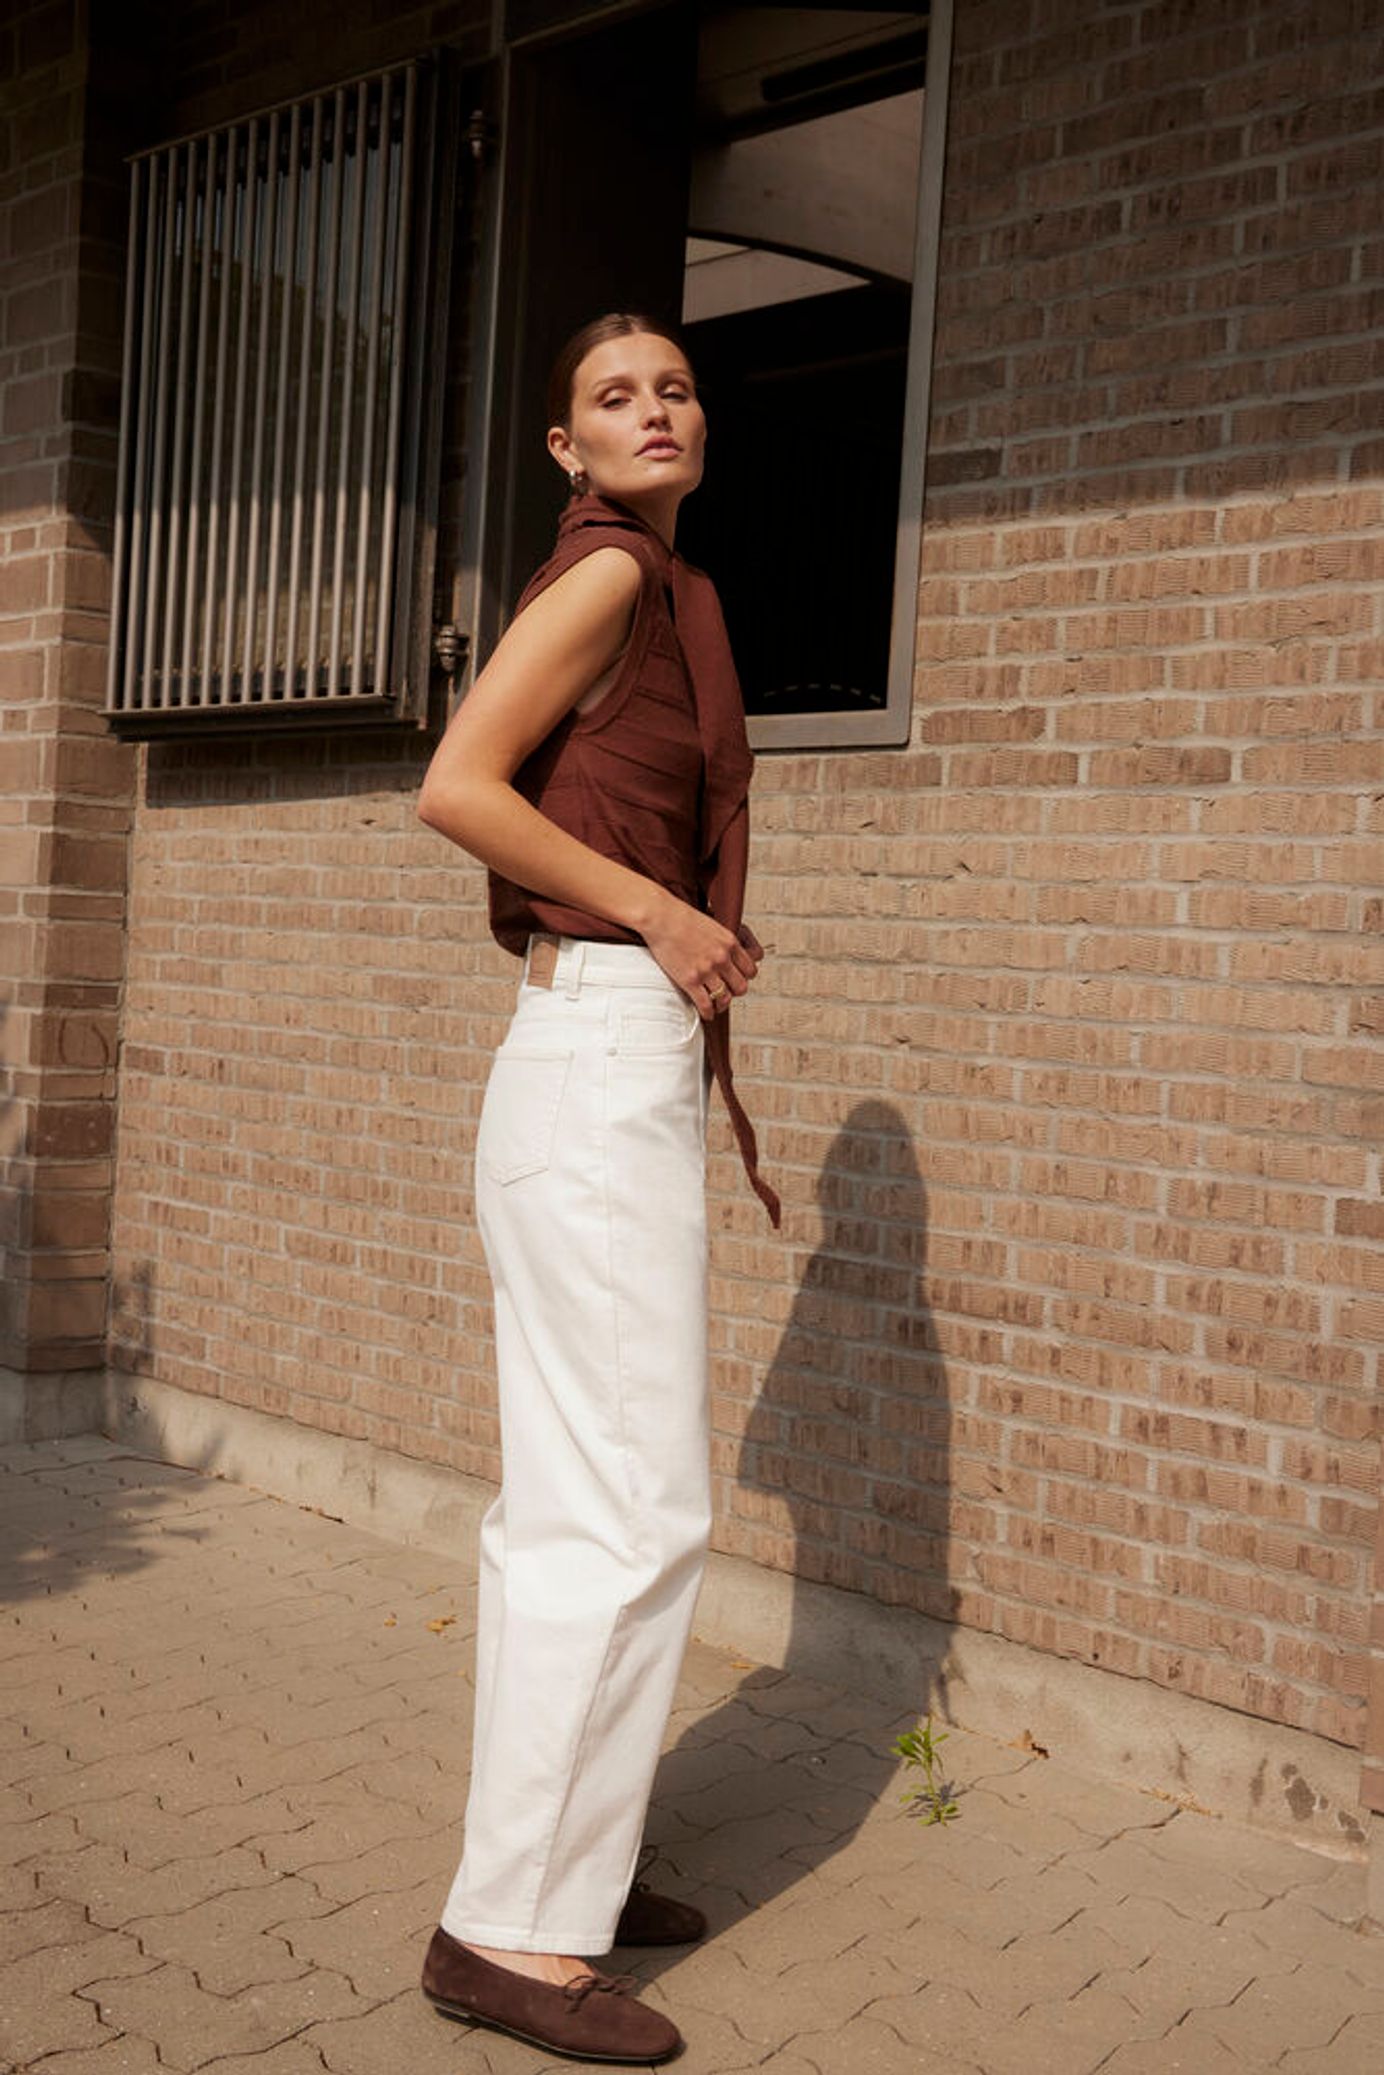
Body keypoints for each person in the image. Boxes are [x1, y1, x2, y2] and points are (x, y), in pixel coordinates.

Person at [414, 312, 779, 2066]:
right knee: (625, 1511)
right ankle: (507, 1934)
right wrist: (656, 908)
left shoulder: (666, 587)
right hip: (594, 1056)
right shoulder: (614, 574)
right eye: (616, 398)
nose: (656, 412)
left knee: (586, 1501)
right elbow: (456, 786)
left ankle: (572, 1859)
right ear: (567, 447)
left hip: (606, 1067)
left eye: (677, 389)